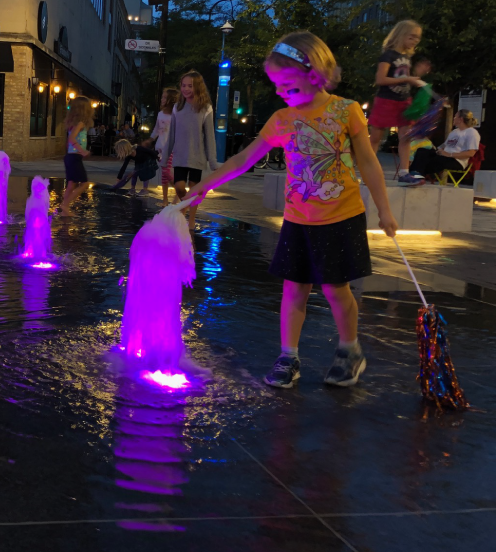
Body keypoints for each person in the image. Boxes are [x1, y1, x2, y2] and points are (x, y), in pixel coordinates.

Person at [185, 31, 398, 389]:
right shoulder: (282, 119)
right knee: (293, 289)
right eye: (276, 85)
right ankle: (288, 355)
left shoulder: (345, 111)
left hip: (341, 216)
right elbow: (242, 158)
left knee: (336, 289)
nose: (280, 91)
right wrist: (206, 184)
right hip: (299, 220)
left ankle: (350, 350)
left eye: (286, 83)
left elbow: (368, 162)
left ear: (314, 73)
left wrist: (385, 211)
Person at [369, 20, 424, 178]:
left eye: (417, 38)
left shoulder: (406, 57)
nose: (415, 41)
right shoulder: (388, 55)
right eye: (412, 37)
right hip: (386, 100)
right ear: (401, 35)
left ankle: (404, 172)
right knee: (375, 139)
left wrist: (415, 77)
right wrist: (407, 79)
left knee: (406, 137)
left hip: (403, 101)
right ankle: (369, 171)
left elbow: (403, 78)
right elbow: (380, 79)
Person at [169, 70, 218, 226]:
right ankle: (184, 209)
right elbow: (171, 134)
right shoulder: (177, 108)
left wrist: (212, 160)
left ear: (197, 87)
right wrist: (165, 158)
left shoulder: (206, 108)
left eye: (190, 85)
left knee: (194, 189)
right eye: (183, 85)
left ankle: (191, 219)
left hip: (197, 156)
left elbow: (209, 136)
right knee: (179, 186)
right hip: (180, 156)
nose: (186, 89)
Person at [406, 109, 480, 183]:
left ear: (460, 119)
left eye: (455, 116)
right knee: (422, 151)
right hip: (444, 156)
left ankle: (416, 176)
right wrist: (437, 149)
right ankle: (414, 175)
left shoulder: (471, 132)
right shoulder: (455, 131)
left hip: (456, 160)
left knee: (429, 162)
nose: (454, 118)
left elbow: (471, 153)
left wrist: (449, 154)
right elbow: (445, 144)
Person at [59, 96, 93, 217]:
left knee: (71, 184)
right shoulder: (80, 123)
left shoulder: (74, 123)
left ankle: (64, 211)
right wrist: (83, 151)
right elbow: (71, 139)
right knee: (84, 184)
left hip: (70, 157)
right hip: (74, 157)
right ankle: (65, 205)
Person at [151, 87, 177, 204]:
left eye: (164, 97)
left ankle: (180, 193)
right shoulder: (160, 114)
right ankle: (165, 199)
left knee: (167, 172)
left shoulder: (175, 115)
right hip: (160, 147)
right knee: (164, 175)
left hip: (171, 148)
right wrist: (150, 139)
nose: (162, 99)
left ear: (171, 100)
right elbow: (157, 129)